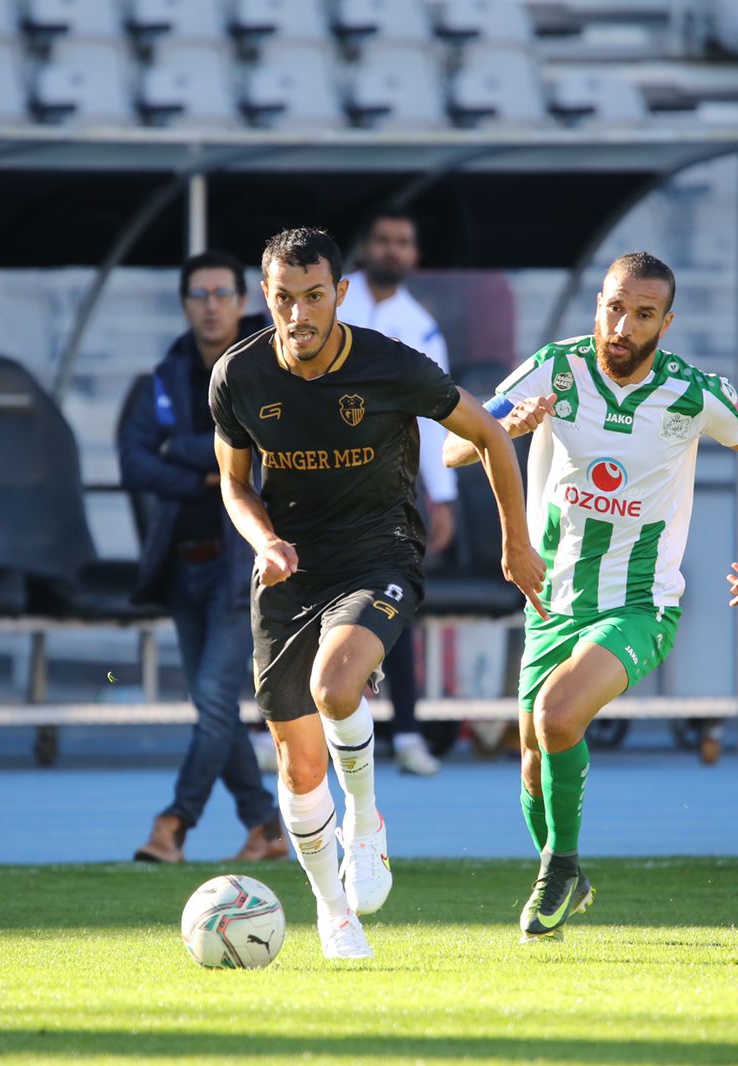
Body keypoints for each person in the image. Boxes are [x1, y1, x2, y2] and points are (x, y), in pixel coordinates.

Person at [209, 227, 545, 960]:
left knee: (336, 687)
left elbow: (489, 434)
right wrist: (265, 542)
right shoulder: (238, 375)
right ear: (265, 296)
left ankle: (365, 821)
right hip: (288, 571)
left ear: (340, 293)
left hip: (378, 555)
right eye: (284, 298)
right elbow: (234, 483)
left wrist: (516, 544)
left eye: (314, 296)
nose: (299, 314)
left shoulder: (391, 364)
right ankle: (335, 913)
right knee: (299, 770)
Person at [443, 251, 738, 943]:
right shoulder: (556, 368)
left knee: (558, 715)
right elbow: (459, 446)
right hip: (551, 602)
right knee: (533, 765)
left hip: (640, 605)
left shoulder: (691, 392)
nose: (623, 327)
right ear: (598, 305)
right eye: (614, 308)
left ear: (666, 322)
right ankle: (563, 871)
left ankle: (560, 869)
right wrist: (509, 428)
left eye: (642, 314)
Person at [119, 250, 285, 866]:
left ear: (243, 301)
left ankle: (173, 826)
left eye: (221, 294)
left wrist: (181, 449)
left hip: (242, 565)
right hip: (180, 565)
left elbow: (264, 448)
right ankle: (266, 827)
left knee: (215, 700)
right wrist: (205, 476)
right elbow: (134, 461)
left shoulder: (269, 365)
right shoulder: (165, 375)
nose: (211, 306)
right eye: (199, 295)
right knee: (213, 706)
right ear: (185, 304)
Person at [338, 208, 457, 776]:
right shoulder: (331, 301)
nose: (392, 250)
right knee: (302, 608)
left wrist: (443, 496)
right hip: (319, 480)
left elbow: (437, 418)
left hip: (391, 492)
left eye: (402, 242)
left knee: (392, 603)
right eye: (383, 240)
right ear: (365, 247)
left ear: (414, 254)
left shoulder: (421, 325)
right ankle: (281, 731)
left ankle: (406, 733)